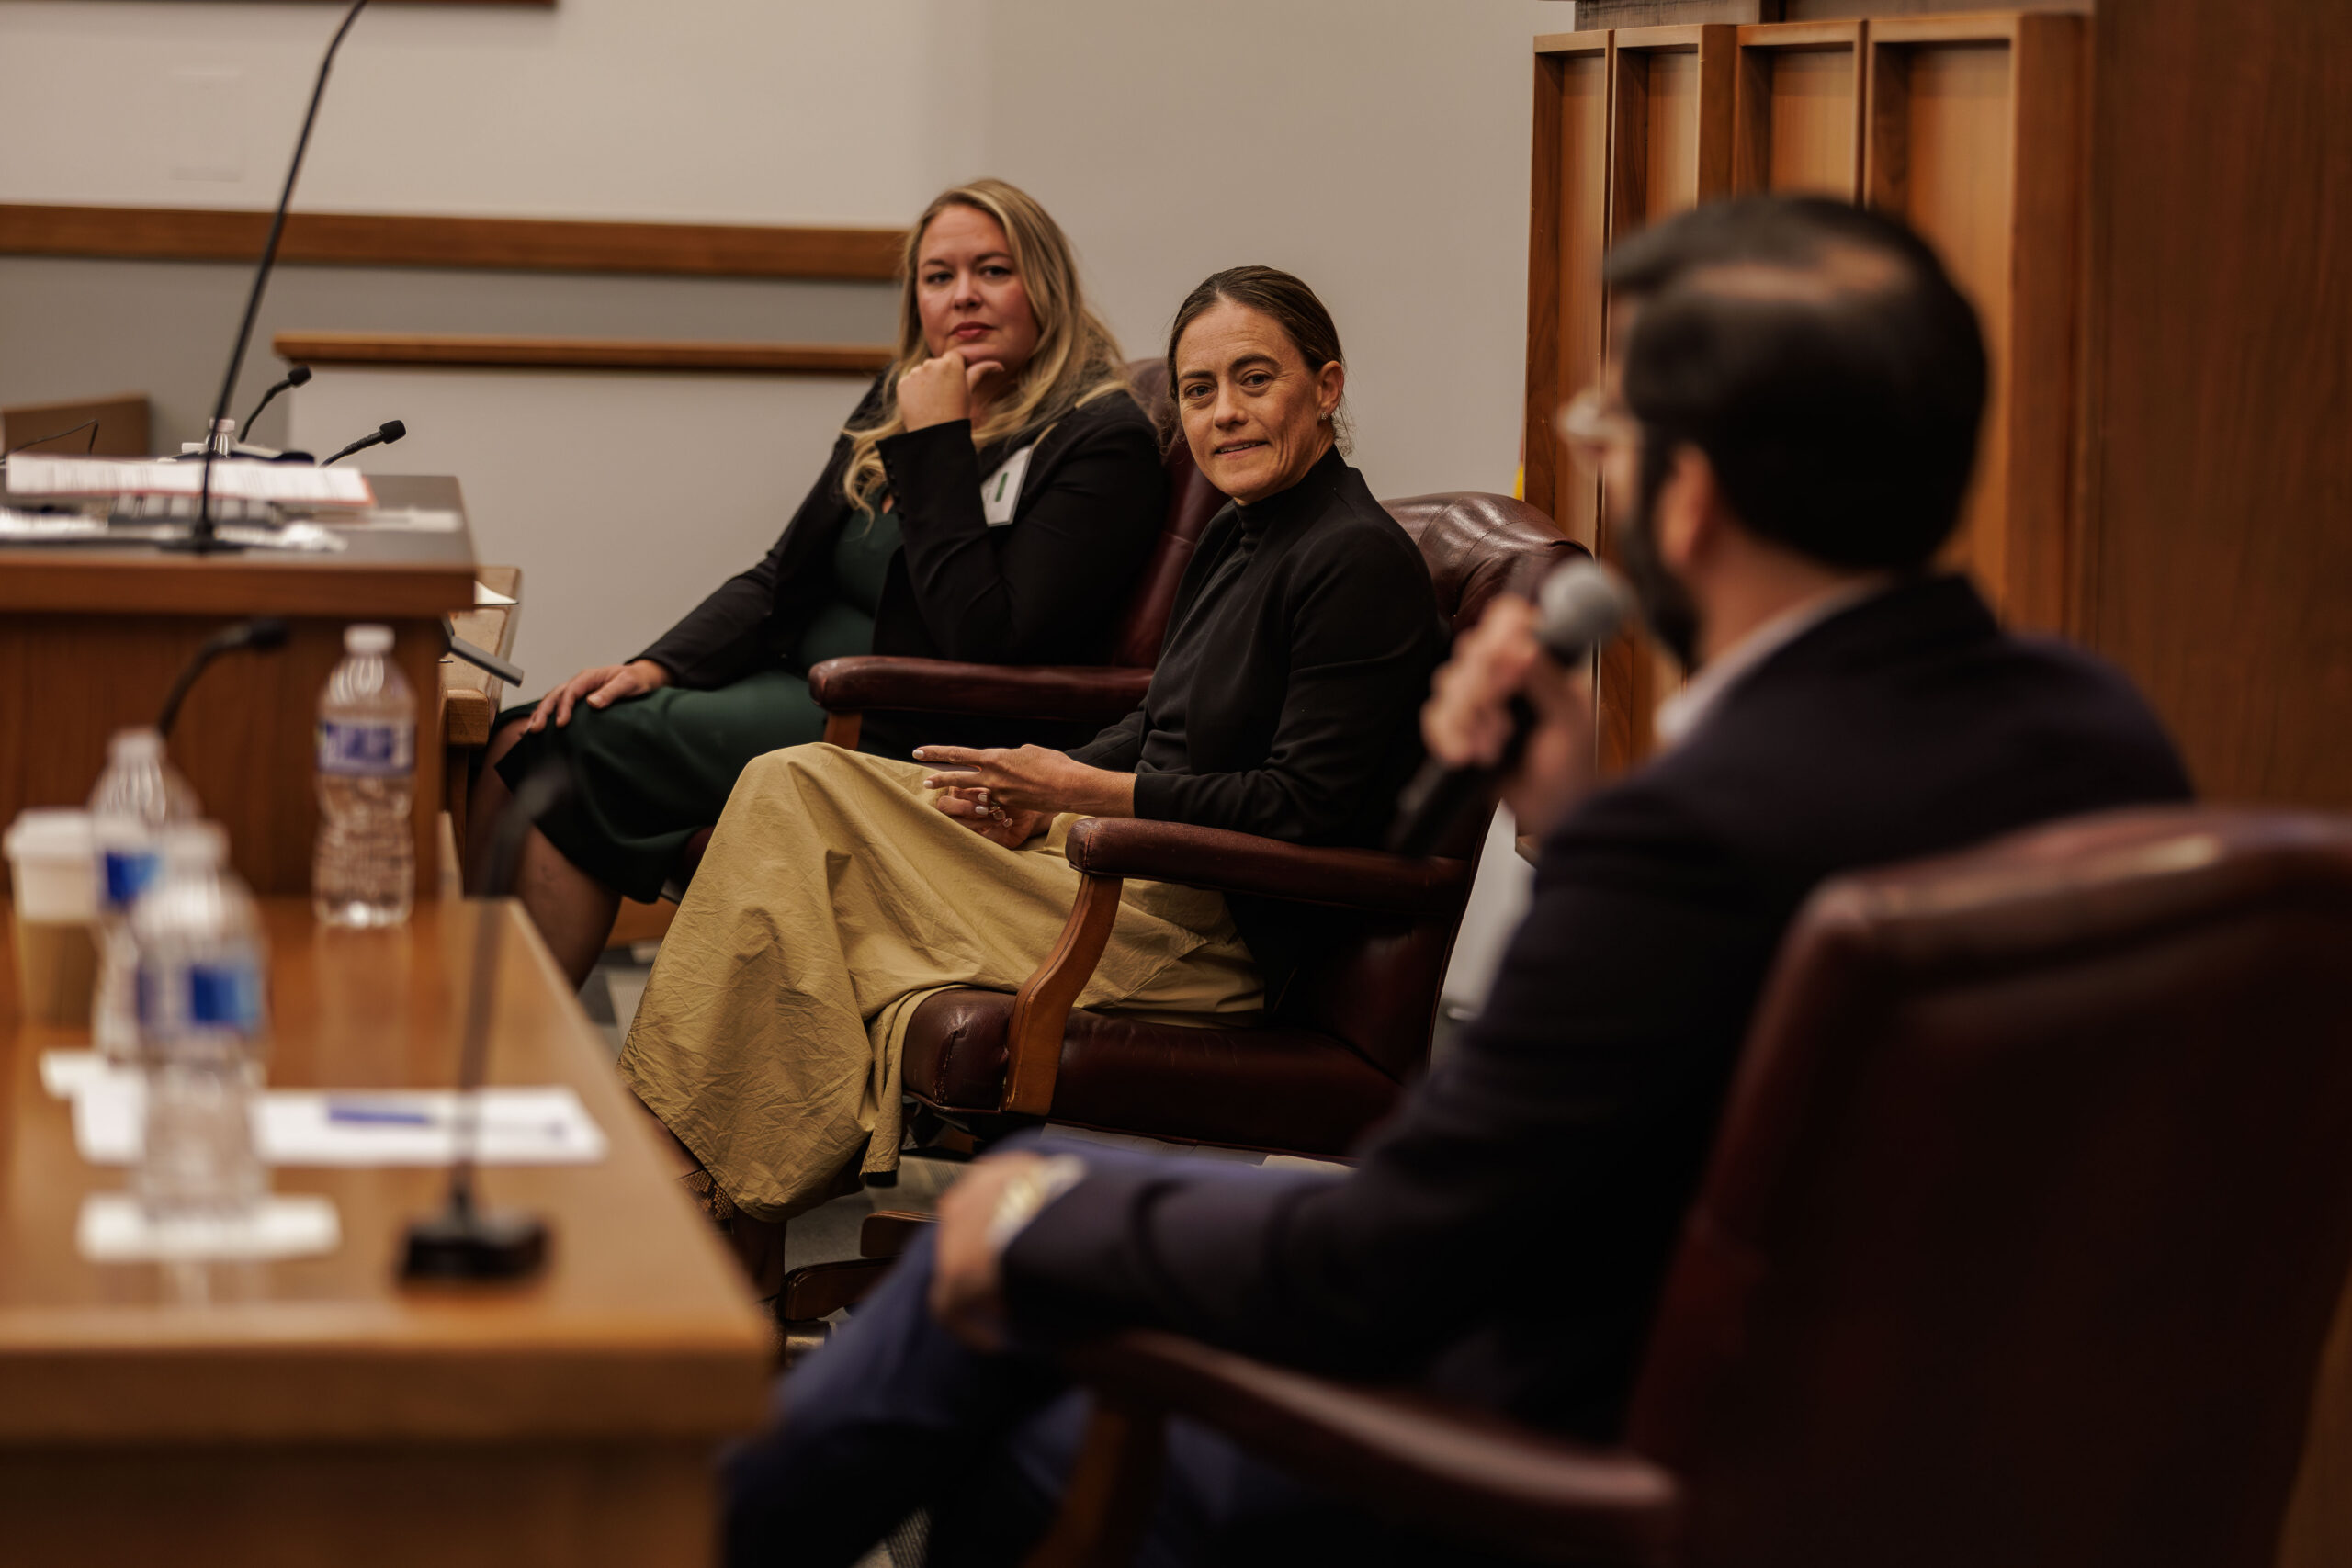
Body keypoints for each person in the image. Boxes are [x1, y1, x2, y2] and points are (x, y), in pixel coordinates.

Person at [716, 197, 2199, 1567]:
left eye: (1611, 425)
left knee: (1007, 1320)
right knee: (1048, 1211)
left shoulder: (1690, 839)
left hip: (1573, 1452)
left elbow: (1395, 1253)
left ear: (1687, 495)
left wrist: (1041, 1222)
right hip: (1902, 1445)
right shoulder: (2102, 733)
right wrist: (1567, 811)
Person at [619, 266, 1444, 1251]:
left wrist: (1080, 792)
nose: (1224, 414)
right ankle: (701, 1172)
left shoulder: (1353, 558)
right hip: (1117, 860)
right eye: (1198, 390)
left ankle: (683, 1175)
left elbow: (1301, 807)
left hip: (1196, 931)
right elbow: (1159, 721)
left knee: (798, 798)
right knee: (789, 783)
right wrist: (1027, 793)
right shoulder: (1238, 533)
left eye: (1254, 380)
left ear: (1327, 387)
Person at [472, 179, 1167, 986]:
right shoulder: (901, 393)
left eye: (993, 270)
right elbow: (782, 574)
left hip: (902, 720)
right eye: (939, 276)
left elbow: (984, 636)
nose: (963, 296)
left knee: (562, 749)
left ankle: (503, 1045)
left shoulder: (1097, 437)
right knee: (521, 732)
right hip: (794, 683)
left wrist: (937, 439)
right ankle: (473, 1034)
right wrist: (657, 664)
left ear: (1045, 284)